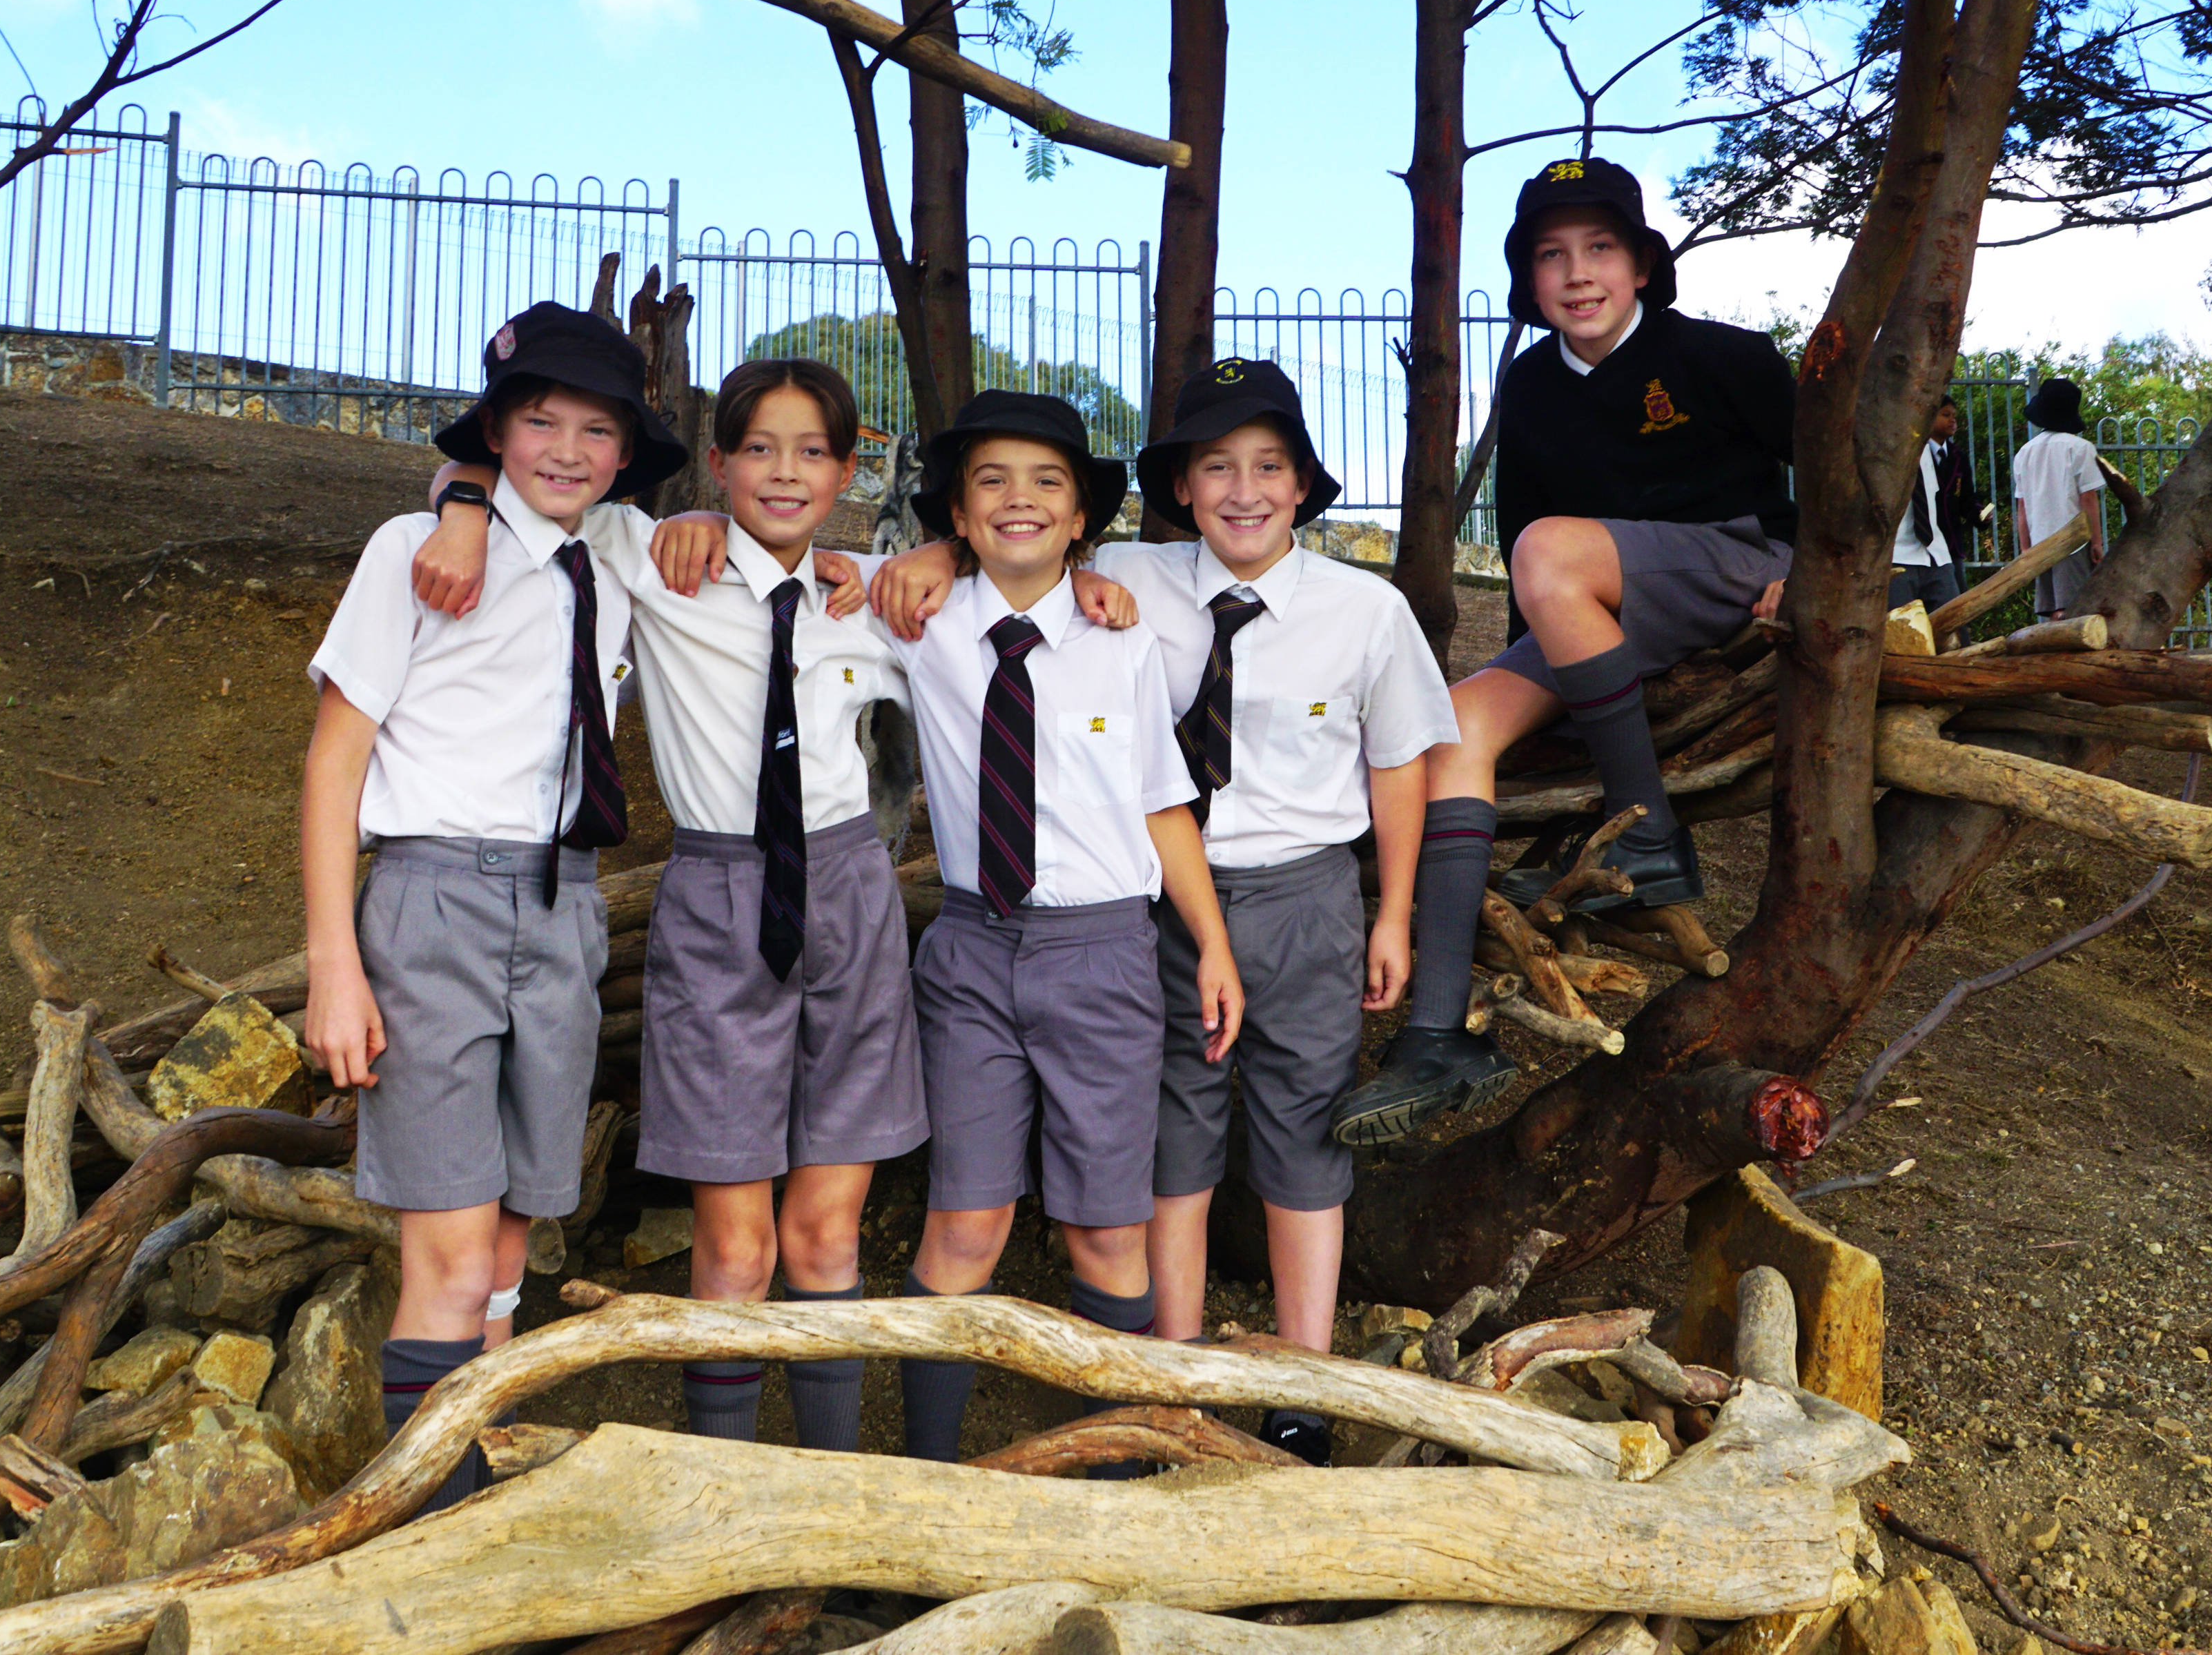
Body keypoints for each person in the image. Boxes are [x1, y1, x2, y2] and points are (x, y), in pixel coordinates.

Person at [868, 358, 1456, 1465]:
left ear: (1305, 483)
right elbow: (992, 536)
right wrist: (936, 551)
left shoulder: (1340, 610)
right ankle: (1157, 1389)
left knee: (1298, 1130)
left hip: (1284, 895)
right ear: (1176, 488)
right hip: (1089, 919)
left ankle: (1296, 1388)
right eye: (1215, 466)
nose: (1242, 488)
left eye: (1269, 466)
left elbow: (1392, 764)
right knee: (1153, 1153)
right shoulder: (1098, 584)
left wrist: (1397, 913)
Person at [417, 357, 928, 1454]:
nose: (784, 474)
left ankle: (835, 1498)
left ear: (849, 468)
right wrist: (461, 510)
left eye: (812, 452)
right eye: (758, 449)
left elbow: (1010, 568)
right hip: (718, 902)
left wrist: (925, 556)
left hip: (850, 903)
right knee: (739, 1246)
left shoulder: (877, 600)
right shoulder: (647, 558)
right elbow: (505, 474)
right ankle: (721, 1489)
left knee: (828, 1233)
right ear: (718, 461)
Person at [301, 302, 683, 1513]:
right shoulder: (410, 553)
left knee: (515, 1241)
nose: (566, 449)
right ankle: (432, 1520)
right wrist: (334, 966)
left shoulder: (620, 549)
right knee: (451, 1256)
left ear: (628, 453)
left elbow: (760, 543)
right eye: (538, 421)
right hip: (436, 904)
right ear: (500, 431)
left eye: (596, 429)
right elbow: (332, 764)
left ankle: (486, 1477)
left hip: (565, 909)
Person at [1333, 154, 1795, 1146]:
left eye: (1600, 249)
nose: (1578, 273)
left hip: (1727, 577)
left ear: (1640, 265)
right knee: (1450, 720)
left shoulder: (1726, 356)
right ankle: (1437, 1032)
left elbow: (1845, 472)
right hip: (1593, 605)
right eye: (1552, 255)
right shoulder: (1534, 385)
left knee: (1552, 551)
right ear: (1529, 280)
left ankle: (1650, 837)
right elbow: (1525, 545)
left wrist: (1815, 569)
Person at [881, 389, 1242, 1467]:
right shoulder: (919, 618)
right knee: (966, 1224)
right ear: (956, 507)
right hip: (973, 949)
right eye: (990, 480)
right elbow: (805, 574)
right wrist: (931, 559)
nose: (1020, 500)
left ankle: (1113, 1479)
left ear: (1085, 516)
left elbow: (1161, 803)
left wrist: (1212, 943)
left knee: (1105, 1228)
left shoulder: (1116, 638)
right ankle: (931, 1488)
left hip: (1104, 955)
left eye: (1048, 482)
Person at [2011, 378, 2104, 620]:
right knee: (2072, 608)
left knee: (2053, 609)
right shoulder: (2081, 448)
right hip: (2072, 541)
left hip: (2041, 542)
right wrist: (2096, 541)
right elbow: (2088, 499)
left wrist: (2025, 548)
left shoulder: (2024, 453)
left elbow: (2022, 505)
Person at [1888, 401, 1962, 615]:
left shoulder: (1926, 449)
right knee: (1904, 638)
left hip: (1935, 554)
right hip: (1895, 557)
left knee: (1954, 632)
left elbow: (1934, 498)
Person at [1929, 399, 1979, 573]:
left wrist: (1981, 513)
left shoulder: (1959, 457)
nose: (1952, 420)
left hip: (1951, 544)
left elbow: (1967, 499)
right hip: (1924, 544)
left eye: (1954, 416)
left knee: (1957, 594)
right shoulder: (1915, 454)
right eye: (1946, 415)